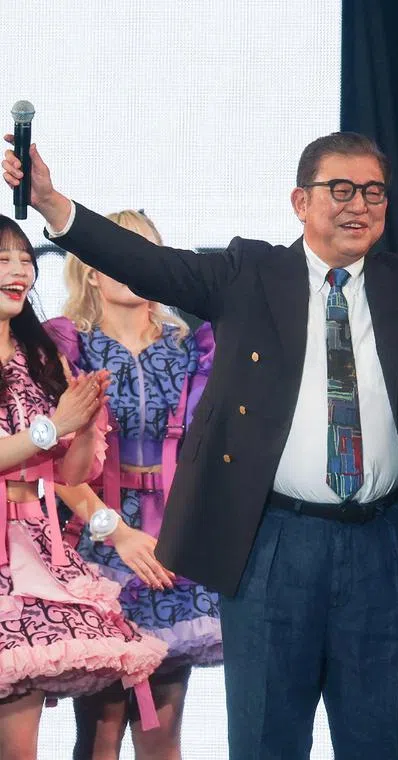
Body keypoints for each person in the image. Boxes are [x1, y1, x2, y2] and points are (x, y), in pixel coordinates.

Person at [3, 130, 398, 757]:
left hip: (381, 543)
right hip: (272, 541)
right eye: (341, 190)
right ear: (300, 202)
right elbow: (146, 263)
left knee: (377, 737)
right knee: (267, 738)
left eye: (374, 192)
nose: (359, 205)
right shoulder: (249, 274)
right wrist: (53, 201)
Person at [45, 208, 220, 760]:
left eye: (143, 251)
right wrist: (115, 531)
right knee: (100, 734)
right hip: (98, 547)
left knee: (162, 733)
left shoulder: (193, 347)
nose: (131, 265)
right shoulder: (71, 347)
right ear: (91, 270)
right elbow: (53, 463)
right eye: (118, 252)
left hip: (174, 553)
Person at [0, 215, 167, 760]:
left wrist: (84, 423)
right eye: (3, 260)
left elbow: (68, 478)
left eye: (25, 259)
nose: (19, 270)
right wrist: (53, 426)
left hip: (36, 555)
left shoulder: (40, 357)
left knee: (21, 745)